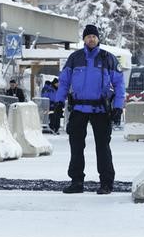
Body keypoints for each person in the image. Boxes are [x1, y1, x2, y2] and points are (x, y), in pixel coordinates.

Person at [53, 24, 125, 195]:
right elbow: (64, 82)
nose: (91, 39)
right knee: (76, 146)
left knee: (103, 147)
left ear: (98, 38)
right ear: (84, 39)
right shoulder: (74, 58)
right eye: (88, 37)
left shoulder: (108, 58)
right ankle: (77, 181)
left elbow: (119, 84)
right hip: (78, 108)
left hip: (101, 109)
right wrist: (58, 103)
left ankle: (106, 183)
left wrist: (118, 107)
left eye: (94, 36)